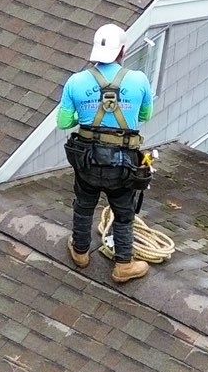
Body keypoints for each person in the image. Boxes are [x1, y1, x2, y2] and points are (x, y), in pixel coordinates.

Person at [58, 23, 157, 284]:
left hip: (87, 161)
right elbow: (145, 116)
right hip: (124, 165)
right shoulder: (138, 80)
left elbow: (64, 122)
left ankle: (80, 252)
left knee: (83, 206)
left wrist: (88, 115)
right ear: (122, 51)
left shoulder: (76, 82)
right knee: (124, 213)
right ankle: (123, 264)